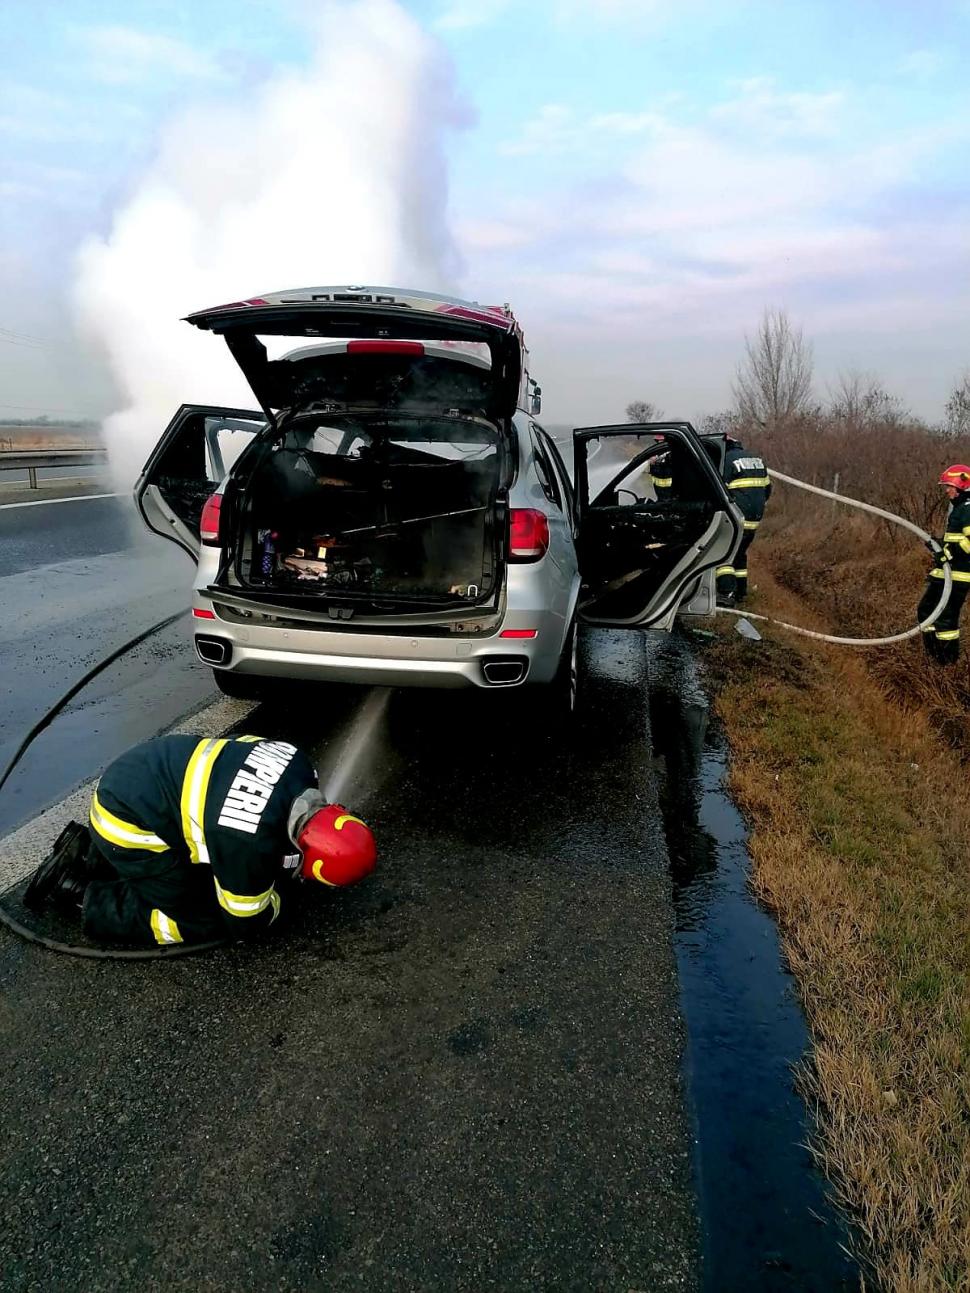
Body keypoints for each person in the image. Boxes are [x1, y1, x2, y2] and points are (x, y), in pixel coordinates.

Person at [24, 734, 376, 947]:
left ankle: (84, 851)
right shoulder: (249, 848)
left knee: (190, 846)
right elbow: (245, 923)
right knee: (198, 915)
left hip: (138, 771)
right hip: (126, 825)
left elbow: (243, 748)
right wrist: (281, 899)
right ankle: (78, 893)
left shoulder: (298, 763)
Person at [652, 434, 771, 605]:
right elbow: (767, 489)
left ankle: (726, 593)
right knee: (739, 553)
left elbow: (714, 488)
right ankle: (741, 592)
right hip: (754, 518)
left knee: (722, 551)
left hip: (735, 516)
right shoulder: (756, 459)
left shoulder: (726, 460)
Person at [917, 464, 970, 664]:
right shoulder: (959, 509)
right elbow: (958, 540)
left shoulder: (968, 509)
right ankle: (932, 659)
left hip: (958, 576)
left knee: (946, 620)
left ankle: (947, 665)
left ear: (961, 486)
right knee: (925, 611)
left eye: (949, 486)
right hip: (946, 574)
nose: (946, 490)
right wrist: (939, 545)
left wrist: (947, 553)